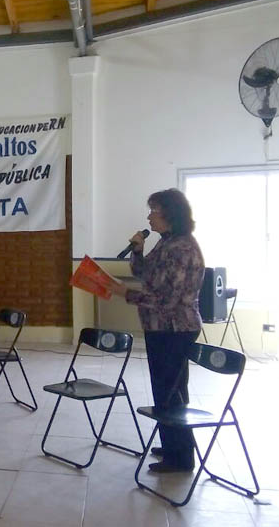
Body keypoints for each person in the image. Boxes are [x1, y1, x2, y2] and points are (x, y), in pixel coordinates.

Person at [108, 188, 204, 474]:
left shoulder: (183, 248)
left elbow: (167, 300)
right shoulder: (167, 242)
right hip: (160, 327)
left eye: (154, 211)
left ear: (170, 215)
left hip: (175, 328)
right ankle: (172, 442)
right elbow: (146, 273)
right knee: (166, 389)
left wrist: (125, 293)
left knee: (170, 392)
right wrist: (137, 252)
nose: (149, 217)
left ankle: (181, 457)